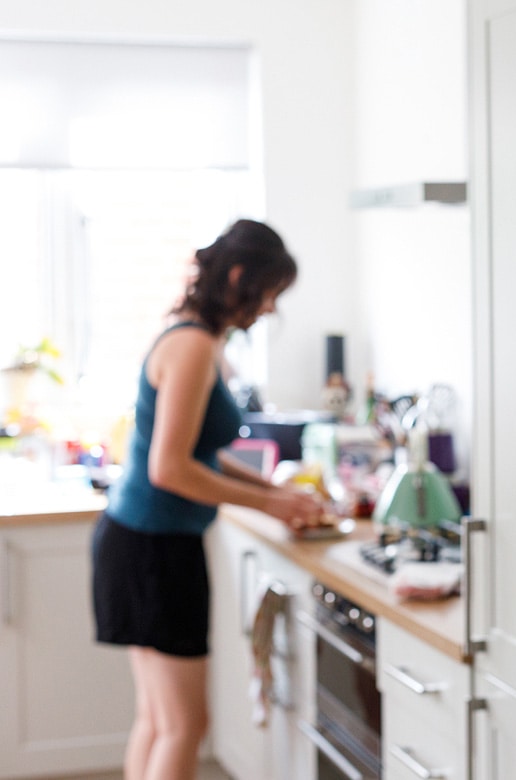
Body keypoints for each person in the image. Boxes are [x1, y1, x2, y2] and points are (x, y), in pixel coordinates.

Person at [91, 219, 324, 780]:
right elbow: (170, 469)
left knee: (159, 719)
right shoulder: (194, 346)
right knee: (184, 726)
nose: (269, 309)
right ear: (240, 277)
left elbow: (195, 450)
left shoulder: (192, 335)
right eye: (269, 294)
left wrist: (272, 490)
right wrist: (271, 506)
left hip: (138, 542)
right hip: (155, 550)